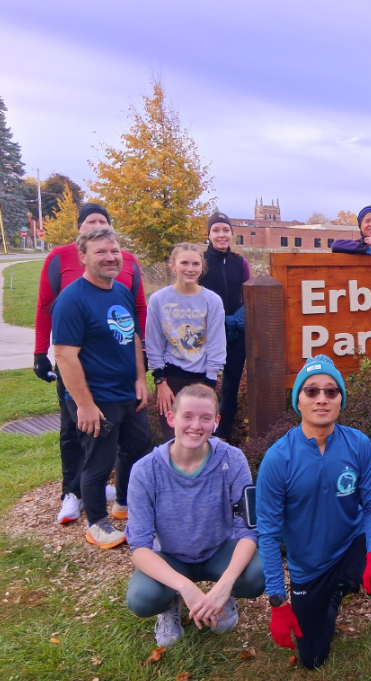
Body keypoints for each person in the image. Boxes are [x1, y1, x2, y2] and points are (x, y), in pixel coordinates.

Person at [257, 355, 371, 679]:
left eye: (331, 391)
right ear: (298, 401)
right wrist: (277, 601)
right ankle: (335, 591)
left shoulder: (358, 444)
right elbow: (268, 534)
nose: (322, 398)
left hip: (351, 544)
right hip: (309, 565)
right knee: (312, 658)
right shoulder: (277, 459)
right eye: (312, 391)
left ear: (340, 400)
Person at [34, 202, 147, 525]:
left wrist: (141, 379)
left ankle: (124, 503)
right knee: (98, 464)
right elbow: (65, 356)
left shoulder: (120, 291)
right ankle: (97, 524)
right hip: (97, 397)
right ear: (83, 257)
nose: (110, 257)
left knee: (136, 450)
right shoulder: (72, 300)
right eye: (100, 252)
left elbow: (132, 337)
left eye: (114, 251)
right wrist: (84, 405)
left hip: (127, 393)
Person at [125, 384, 264, 646]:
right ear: (171, 418)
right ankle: (170, 604)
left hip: (219, 550)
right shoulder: (145, 471)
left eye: (205, 418)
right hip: (170, 556)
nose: (196, 426)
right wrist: (186, 587)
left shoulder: (233, 459)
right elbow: (139, 547)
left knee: (259, 574)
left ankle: (223, 596)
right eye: (187, 416)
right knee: (142, 599)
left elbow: (249, 529)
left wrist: (225, 585)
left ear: (216, 421)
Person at [147, 243, 227, 440]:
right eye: (184, 263)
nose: (190, 269)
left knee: (200, 436)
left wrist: (210, 382)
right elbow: (154, 342)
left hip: (202, 378)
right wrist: (160, 381)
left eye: (195, 264)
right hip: (171, 378)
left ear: (202, 267)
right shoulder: (158, 300)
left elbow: (217, 343)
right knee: (173, 439)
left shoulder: (212, 300)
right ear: (173, 265)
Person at [198, 211, 250, 441]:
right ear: (209, 234)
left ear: (231, 234)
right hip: (207, 331)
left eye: (226, 230)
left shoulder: (240, 262)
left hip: (236, 330)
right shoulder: (201, 262)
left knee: (231, 384)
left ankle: (223, 434)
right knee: (205, 382)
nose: (221, 234)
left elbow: (248, 294)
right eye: (216, 230)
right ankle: (201, 429)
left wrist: (239, 317)